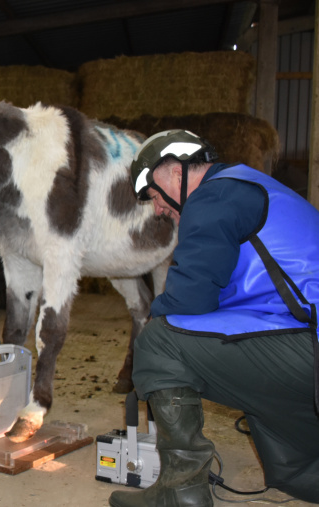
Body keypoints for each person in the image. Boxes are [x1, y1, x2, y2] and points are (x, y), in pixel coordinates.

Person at [108, 129, 319, 507]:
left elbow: (187, 301)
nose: (158, 208)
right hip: (301, 341)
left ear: (174, 170)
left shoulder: (214, 196)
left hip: (307, 347)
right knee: (292, 470)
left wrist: (150, 357)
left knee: (158, 341)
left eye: (154, 195)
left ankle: (181, 491)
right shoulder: (246, 186)